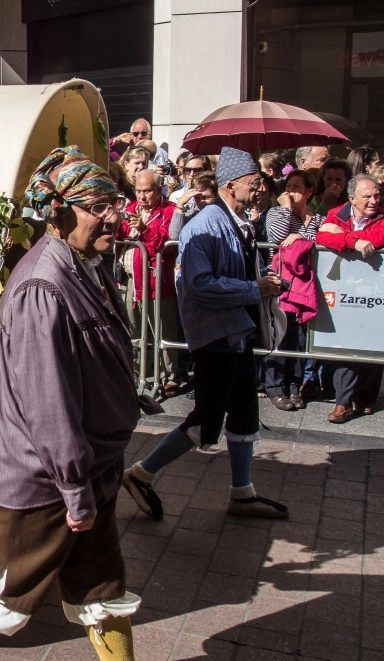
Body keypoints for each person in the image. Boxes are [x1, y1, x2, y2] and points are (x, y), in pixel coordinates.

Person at [0, 146, 210, 661]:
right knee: (11, 585)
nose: (115, 216)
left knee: (101, 584)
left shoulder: (85, 266)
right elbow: (47, 403)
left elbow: (92, 359)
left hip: (88, 465)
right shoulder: (43, 285)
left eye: (114, 203)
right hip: (49, 476)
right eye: (98, 206)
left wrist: (125, 398)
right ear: (58, 213)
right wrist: (75, 489)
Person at [122, 146, 288, 522]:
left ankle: (242, 492)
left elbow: (238, 272)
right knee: (207, 417)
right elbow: (197, 284)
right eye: (253, 182)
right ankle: (141, 474)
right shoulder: (205, 226)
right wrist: (254, 289)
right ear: (230, 185)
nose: (260, 188)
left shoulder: (238, 222)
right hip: (214, 337)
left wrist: (265, 281)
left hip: (236, 333)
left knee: (244, 412)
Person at [316, 175, 384, 423]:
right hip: (344, 289)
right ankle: (342, 402)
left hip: (376, 289)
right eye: (367, 196)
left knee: (373, 342)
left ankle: (366, 398)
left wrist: (345, 237)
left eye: (377, 195)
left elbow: (380, 238)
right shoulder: (336, 213)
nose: (374, 201)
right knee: (346, 344)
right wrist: (354, 240)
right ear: (352, 198)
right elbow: (322, 237)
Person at [261, 170, 325, 411]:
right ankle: (275, 387)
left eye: (296, 187)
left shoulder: (318, 219)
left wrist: (300, 235)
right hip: (278, 282)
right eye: (288, 186)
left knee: (298, 338)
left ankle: (294, 384)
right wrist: (287, 209)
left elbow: (322, 241)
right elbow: (277, 236)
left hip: (305, 286)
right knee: (279, 333)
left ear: (309, 191)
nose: (290, 191)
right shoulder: (276, 213)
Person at [119, 168, 184, 393]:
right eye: (138, 191)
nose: (142, 196)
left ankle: (170, 376)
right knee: (134, 329)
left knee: (164, 329)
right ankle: (140, 372)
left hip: (157, 280)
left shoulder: (169, 210)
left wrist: (144, 229)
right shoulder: (129, 208)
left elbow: (165, 244)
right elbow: (120, 235)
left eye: (147, 191)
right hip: (130, 280)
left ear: (159, 190)